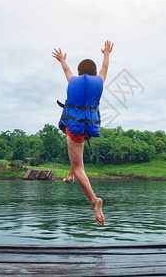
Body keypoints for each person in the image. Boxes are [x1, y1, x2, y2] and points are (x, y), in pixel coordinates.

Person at [52, 40, 114, 226]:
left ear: (79, 73)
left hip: (77, 129)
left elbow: (66, 71)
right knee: (76, 154)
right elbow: (104, 67)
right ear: (95, 74)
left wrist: (62, 59)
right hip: (89, 127)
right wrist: (106, 53)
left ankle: (95, 201)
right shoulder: (99, 80)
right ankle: (70, 175)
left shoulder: (73, 80)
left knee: (80, 168)